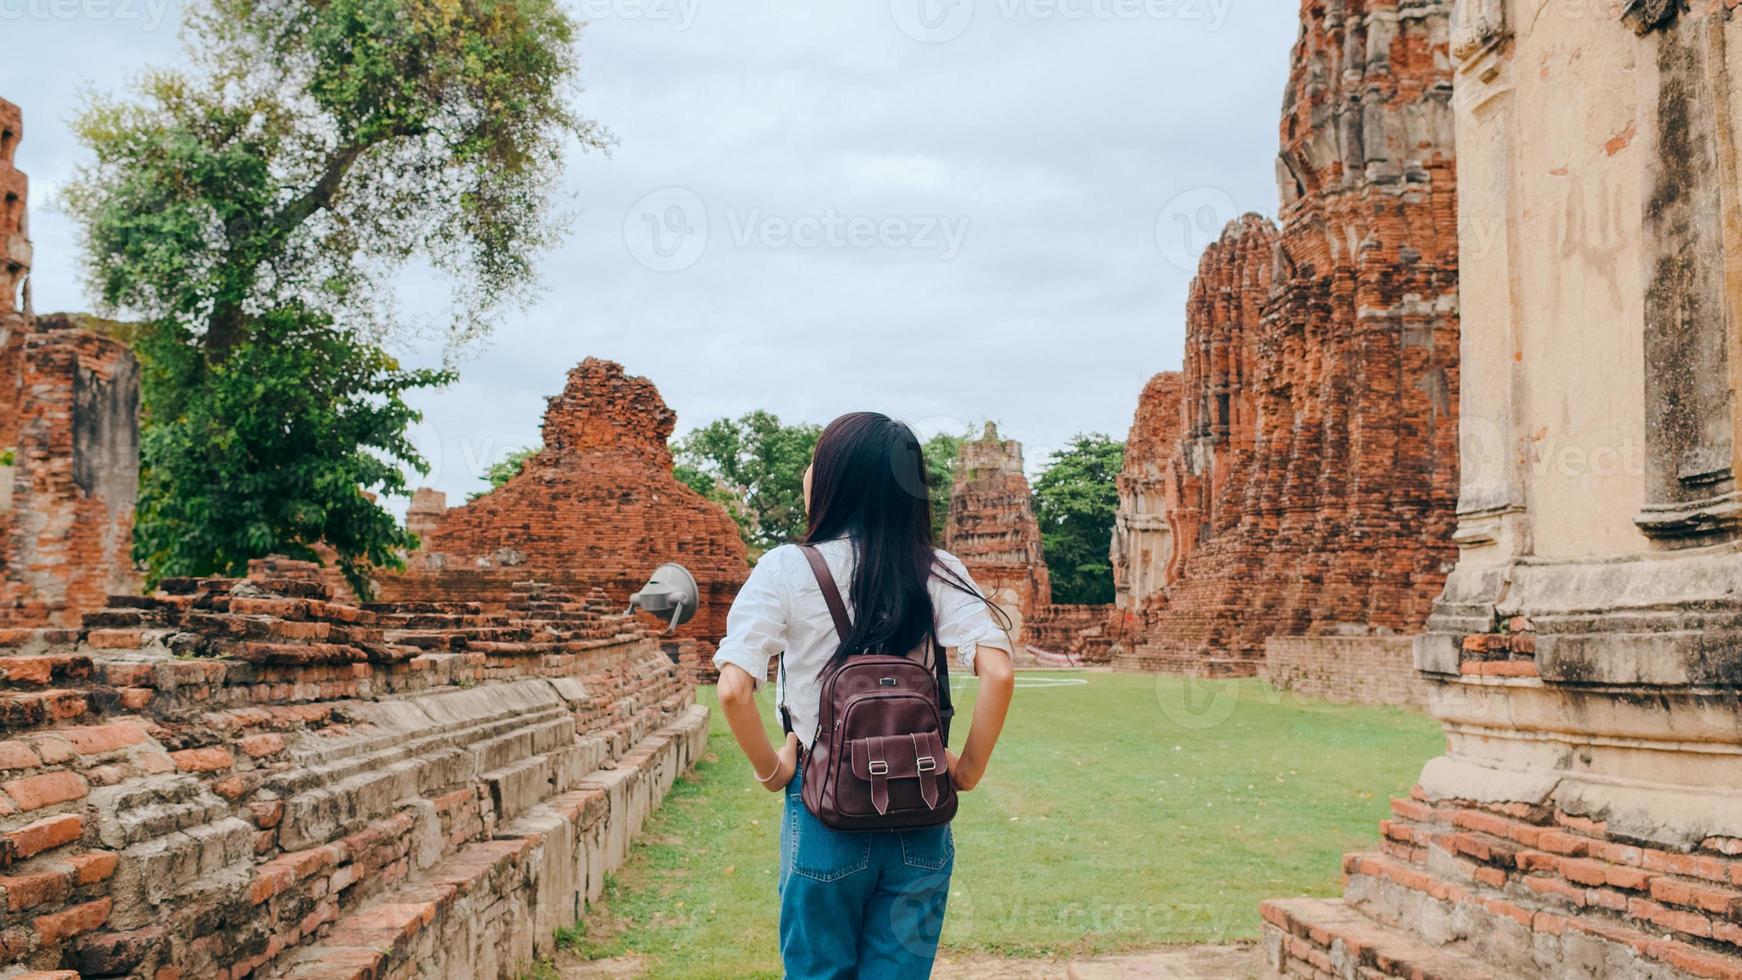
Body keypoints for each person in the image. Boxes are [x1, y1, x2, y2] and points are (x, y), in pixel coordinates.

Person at [713, 412, 1018, 979]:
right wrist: (969, 770)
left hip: (824, 805)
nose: (807, 473)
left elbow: (734, 689)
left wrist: (774, 771)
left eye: (814, 462)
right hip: (920, 806)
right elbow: (998, 673)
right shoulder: (938, 569)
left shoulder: (786, 569)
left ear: (836, 479)